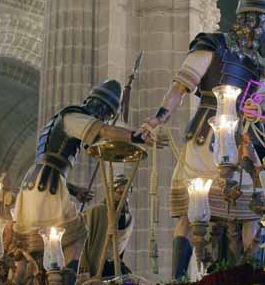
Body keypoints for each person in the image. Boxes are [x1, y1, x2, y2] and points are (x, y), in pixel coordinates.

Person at [137, 0, 265, 280]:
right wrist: (159, 117)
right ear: (253, 19)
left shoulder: (258, 64)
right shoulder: (214, 44)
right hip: (206, 137)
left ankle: (246, 279)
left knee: (253, 207)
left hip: (241, 141)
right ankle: (176, 281)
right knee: (194, 208)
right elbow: (181, 85)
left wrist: (263, 109)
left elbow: (259, 107)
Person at [13, 79, 161, 270]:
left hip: (40, 182)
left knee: (38, 243)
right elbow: (105, 131)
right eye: (105, 114)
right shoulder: (74, 116)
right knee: (76, 236)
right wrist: (137, 136)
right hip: (46, 185)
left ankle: (42, 283)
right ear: (98, 106)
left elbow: (53, 163)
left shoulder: (61, 120)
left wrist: (74, 191)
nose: (103, 119)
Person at [79, 175, 134, 278]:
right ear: (111, 193)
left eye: (127, 193)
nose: (124, 197)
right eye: (120, 193)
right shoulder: (98, 211)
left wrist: (120, 263)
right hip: (95, 263)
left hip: (113, 267)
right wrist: (83, 262)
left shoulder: (129, 219)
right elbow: (81, 238)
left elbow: (118, 249)